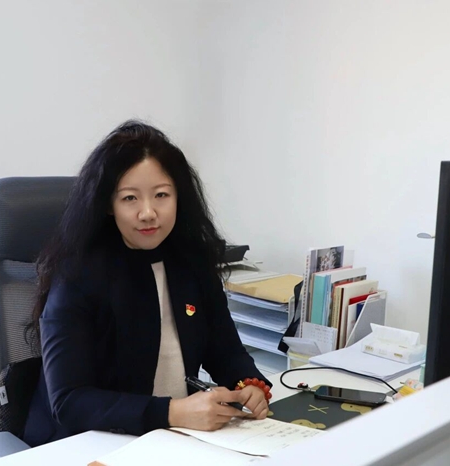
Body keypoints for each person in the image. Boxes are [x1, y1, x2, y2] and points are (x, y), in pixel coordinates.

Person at [22, 120, 271, 447]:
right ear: (108, 204)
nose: (148, 212)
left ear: (179, 197)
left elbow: (225, 351)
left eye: (161, 195)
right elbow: (69, 401)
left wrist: (250, 386)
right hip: (87, 443)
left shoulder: (192, 262)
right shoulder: (77, 275)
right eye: (130, 198)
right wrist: (173, 412)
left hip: (173, 438)